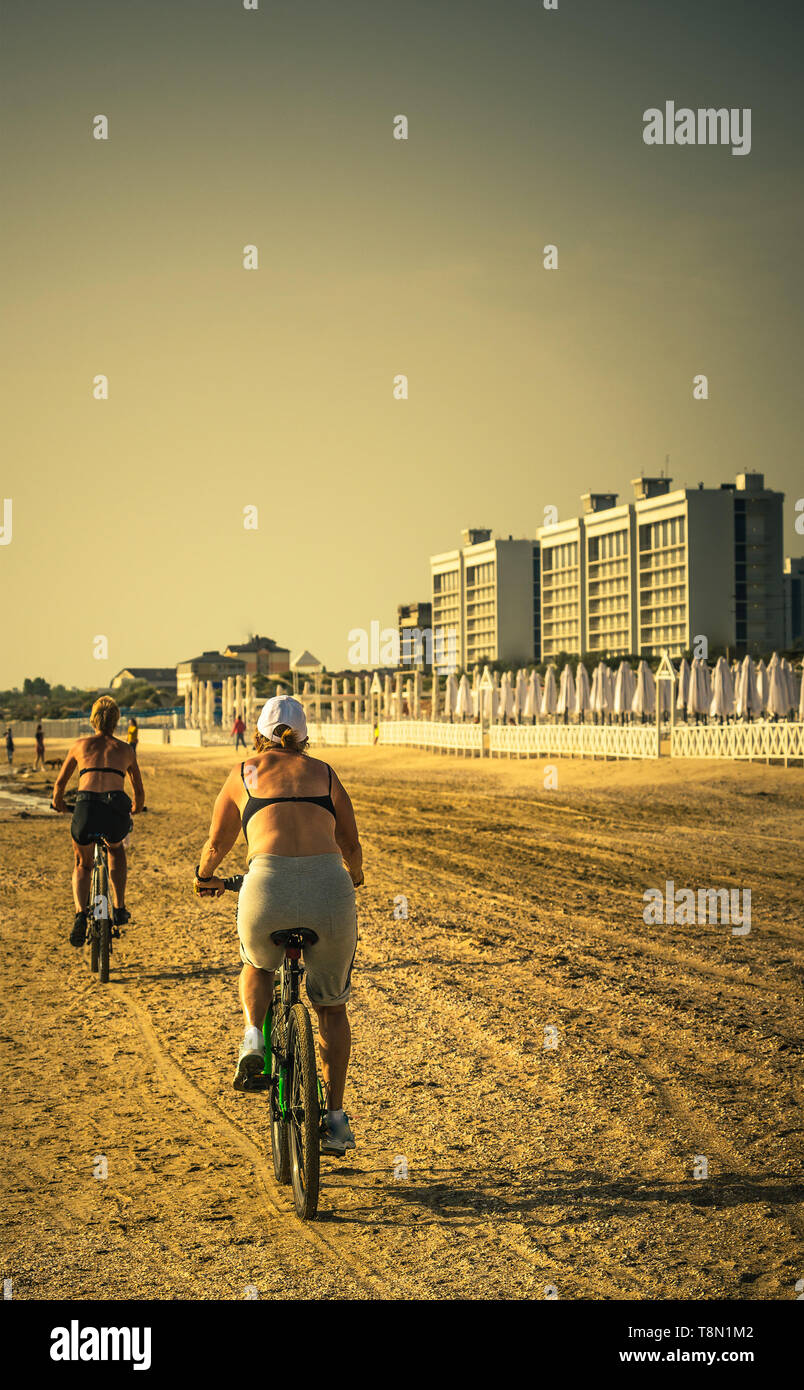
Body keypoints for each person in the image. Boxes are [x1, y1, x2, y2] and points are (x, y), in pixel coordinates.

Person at [194, 695, 363, 1156]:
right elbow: (350, 840)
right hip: (330, 891)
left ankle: (253, 1037)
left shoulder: (243, 772)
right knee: (331, 1007)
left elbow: (216, 844)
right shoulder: (326, 773)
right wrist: (357, 874)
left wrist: (204, 878)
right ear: (303, 736)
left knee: (257, 965)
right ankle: (335, 1120)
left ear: (259, 734)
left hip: (265, 888)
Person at [52, 695, 145, 946]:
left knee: (83, 863)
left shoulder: (80, 745)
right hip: (115, 807)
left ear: (93, 719)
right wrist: (137, 807)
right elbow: (138, 789)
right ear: (116, 721)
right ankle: (120, 906)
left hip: (86, 806)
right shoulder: (125, 749)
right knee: (116, 849)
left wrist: (59, 803)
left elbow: (60, 783)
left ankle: (80, 914)